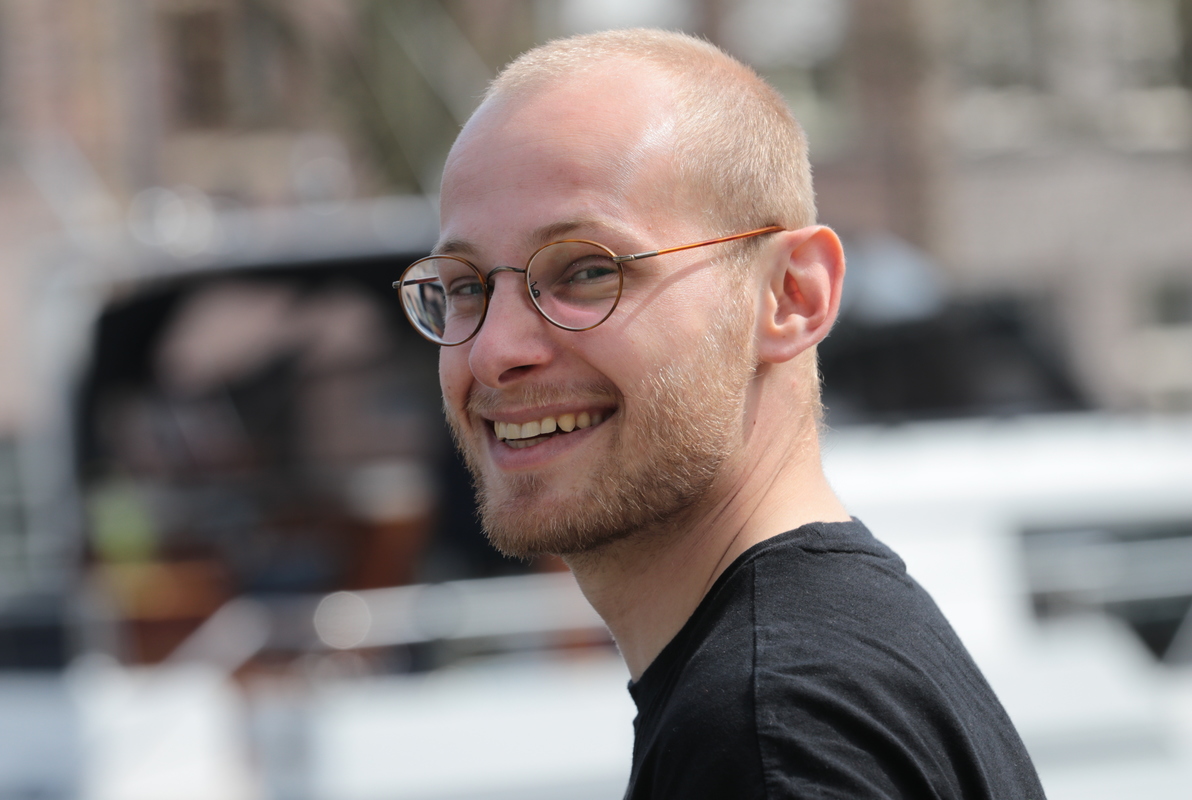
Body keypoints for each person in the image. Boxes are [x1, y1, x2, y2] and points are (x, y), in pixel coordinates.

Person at [393, 28, 1046, 800]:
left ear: (792, 295)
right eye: (464, 286)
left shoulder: (774, 734)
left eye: (588, 270)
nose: (494, 350)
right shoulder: (827, 673)